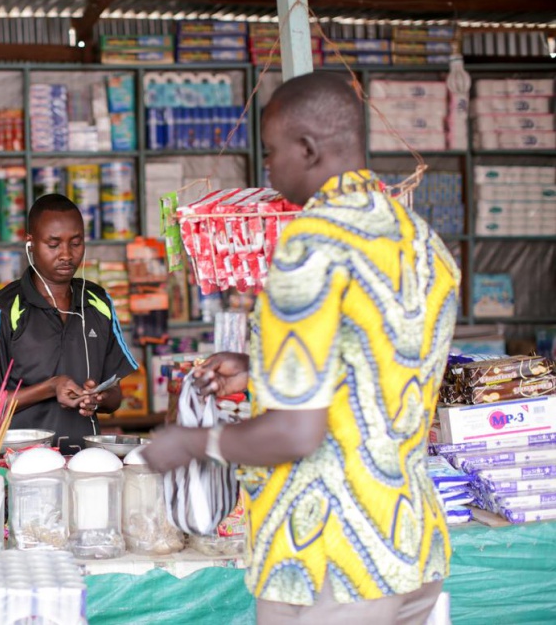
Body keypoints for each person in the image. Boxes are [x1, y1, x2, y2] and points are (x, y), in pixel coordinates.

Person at [143, 72, 459, 624]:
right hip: (411, 541)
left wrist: (194, 442)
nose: (267, 169)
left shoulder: (310, 247)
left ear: (308, 149)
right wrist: (261, 370)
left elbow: (296, 432)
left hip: (332, 558)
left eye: (270, 153)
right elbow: (371, 366)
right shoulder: (418, 239)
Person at [0, 193, 138, 455]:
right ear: (31, 243)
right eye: (53, 244)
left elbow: (115, 396)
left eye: (76, 243)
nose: (66, 254)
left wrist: (99, 397)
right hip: (17, 463)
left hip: (84, 461)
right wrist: (50, 387)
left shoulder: (98, 303)